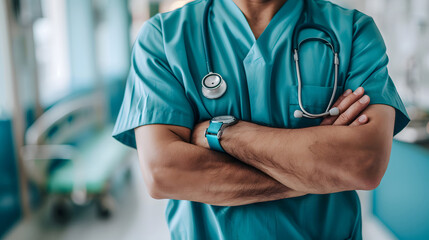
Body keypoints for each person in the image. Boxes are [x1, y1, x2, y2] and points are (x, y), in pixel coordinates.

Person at [113, 0, 409, 239]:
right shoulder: (164, 38)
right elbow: (164, 172)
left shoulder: (354, 31)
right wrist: (318, 174)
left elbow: (364, 164)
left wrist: (225, 134)